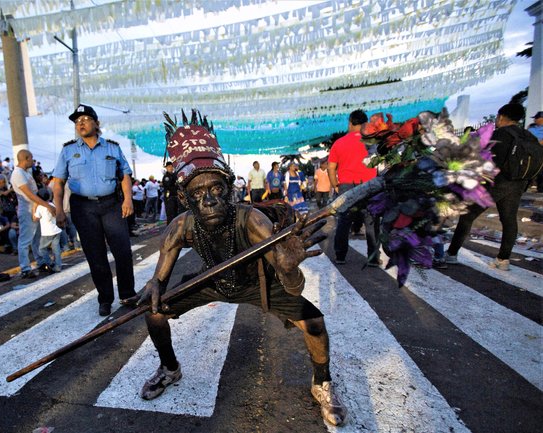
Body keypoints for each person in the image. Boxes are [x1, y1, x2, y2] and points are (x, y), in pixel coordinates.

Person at [126, 111, 347, 426]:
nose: (209, 201)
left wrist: (286, 269)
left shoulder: (252, 220)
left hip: (257, 283)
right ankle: (170, 368)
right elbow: (159, 277)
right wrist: (154, 288)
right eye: (198, 194)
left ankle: (322, 382)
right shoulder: (180, 226)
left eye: (215, 190)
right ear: (183, 198)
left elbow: (292, 284)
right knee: (154, 312)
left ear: (228, 188)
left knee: (313, 322)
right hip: (213, 282)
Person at [51, 104, 136, 316]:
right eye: (77, 121)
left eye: (85, 119)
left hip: (111, 205)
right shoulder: (68, 150)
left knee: (123, 251)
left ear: (96, 123)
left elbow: (125, 175)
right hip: (83, 207)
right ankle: (105, 299)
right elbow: (58, 182)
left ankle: (127, 293)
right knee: (95, 255)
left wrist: (128, 200)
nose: (80, 123)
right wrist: (59, 210)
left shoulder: (112, 148)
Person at [446, 103, 534, 270]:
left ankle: (451, 254)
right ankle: (503, 260)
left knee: (467, 216)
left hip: (497, 182)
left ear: (501, 117)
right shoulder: (528, 136)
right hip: (518, 183)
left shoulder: (500, 134)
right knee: (509, 220)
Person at [328, 109, 380, 266]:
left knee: (344, 221)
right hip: (369, 185)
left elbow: (331, 168)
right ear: (365, 124)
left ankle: (340, 256)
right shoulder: (373, 142)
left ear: (350, 123)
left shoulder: (339, 143)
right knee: (371, 221)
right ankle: (373, 257)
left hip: (346, 186)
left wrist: (335, 185)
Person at [11, 149, 53, 279]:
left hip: (35, 209)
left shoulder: (25, 173)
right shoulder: (18, 174)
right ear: (26, 158)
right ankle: (25, 267)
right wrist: (47, 206)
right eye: (31, 159)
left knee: (37, 238)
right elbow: (29, 194)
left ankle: (40, 262)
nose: (33, 161)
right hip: (27, 209)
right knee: (25, 240)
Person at [33, 189, 62, 272]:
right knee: (56, 249)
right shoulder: (52, 204)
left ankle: (50, 263)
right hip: (56, 230)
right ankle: (58, 266)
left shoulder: (40, 207)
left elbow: (35, 218)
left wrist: (34, 207)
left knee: (41, 249)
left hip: (47, 232)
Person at [527, 111, 543, 193]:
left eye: (536, 118)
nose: (534, 120)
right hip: (530, 152)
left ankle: (540, 189)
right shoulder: (531, 128)